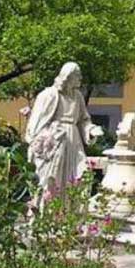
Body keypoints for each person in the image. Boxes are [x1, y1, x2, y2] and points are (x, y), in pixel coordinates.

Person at [26, 62, 99, 202]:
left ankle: (70, 215)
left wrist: (91, 130)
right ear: (68, 77)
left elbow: (83, 120)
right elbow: (37, 123)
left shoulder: (78, 96)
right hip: (56, 142)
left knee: (80, 174)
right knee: (53, 179)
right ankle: (48, 215)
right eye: (78, 75)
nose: (80, 78)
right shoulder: (49, 95)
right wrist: (40, 142)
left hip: (74, 142)